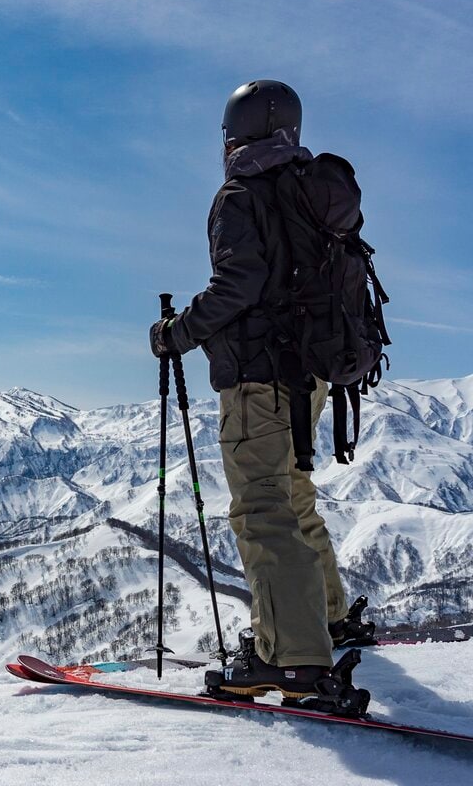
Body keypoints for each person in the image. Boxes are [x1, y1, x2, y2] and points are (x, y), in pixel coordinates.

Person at [148, 80, 373, 699]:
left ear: (234, 134)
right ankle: (323, 619)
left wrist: (176, 334)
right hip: (315, 372)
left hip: (261, 376)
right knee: (294, 492)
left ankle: (294, 657)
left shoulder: (242, 196)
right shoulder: (314, 193)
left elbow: (236, 287)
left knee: (262, 508)